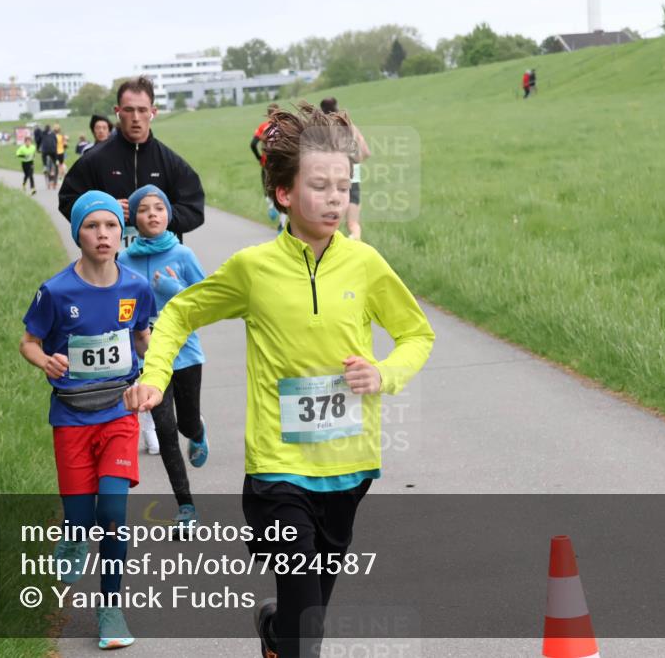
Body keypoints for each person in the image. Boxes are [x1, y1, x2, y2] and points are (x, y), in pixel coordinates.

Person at [124, 102, 435, 658]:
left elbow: (418, 336)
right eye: (320, 185)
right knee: (306, 627)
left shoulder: (364, 265)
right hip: (278, 468)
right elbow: (179, 314)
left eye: (343, 185)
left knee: (305, 620)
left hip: (349, 463)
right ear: (285, 194)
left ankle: (275, 630)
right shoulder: (253, 268)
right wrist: (155, 374)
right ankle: (285, 635)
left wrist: (383, 373)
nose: (336, 197)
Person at [20, 190, 156, 651]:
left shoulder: (137, 286)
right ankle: (74, 538)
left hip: (119, 414)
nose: (103, 235)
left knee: (114, 514)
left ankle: (111, 610)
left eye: (111, 226)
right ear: (78, 232)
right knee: (81, 519)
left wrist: (152, 367)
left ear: (123, 233)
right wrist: (45, 361)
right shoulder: (56, 291)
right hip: (71, 419)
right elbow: (28, 342)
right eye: (92, 226)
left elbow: (142, 339)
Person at [117, 185, 208, 529]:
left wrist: (177, 293)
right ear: (134, 218)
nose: (152, 213)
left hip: (186, 354)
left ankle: (198, 432)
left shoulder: (183, 255)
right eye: (144, 209)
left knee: (185, 424)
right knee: (165, 430)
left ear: (168, 215)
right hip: (148, 357)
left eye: (159, 208)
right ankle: (186, 506)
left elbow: (208, 305)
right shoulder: (124, 260)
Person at [59, 76, 205, 242]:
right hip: (110, 262)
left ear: (153, 112)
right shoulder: (94, 160)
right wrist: (106, 210)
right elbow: (68, 200)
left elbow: (194, 210)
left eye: (142, 110)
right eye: (129, 110)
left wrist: (159, 215)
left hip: (161, 263)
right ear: (118, 112)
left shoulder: (171, 162)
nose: (135, 117)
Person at [320, 97, 370, 241]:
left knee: (328, 221)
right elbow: (366, 152)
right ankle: (355, 242)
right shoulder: (351, 127)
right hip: (354, 173)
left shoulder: (324, 129)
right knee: (353, 223)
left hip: (333, 176)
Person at [251, 104, 283, 230]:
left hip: (267, 163)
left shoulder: (263, 127)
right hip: (281, 163)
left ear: (269, 114)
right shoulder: (284, 126)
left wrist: (259, 157)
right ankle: (281, 225)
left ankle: (271, 207)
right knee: (282, 189)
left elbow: (253, 144)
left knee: (267, 186)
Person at [40, 125, 59, 189]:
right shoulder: (53, 134)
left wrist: (39, 148)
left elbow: (39, 140)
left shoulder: (42, 133)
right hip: (53, 151)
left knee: (44, 157)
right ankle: (55, 183)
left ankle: (45, 166)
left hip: (45, 151)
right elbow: (56, 142)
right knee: (56, 166)